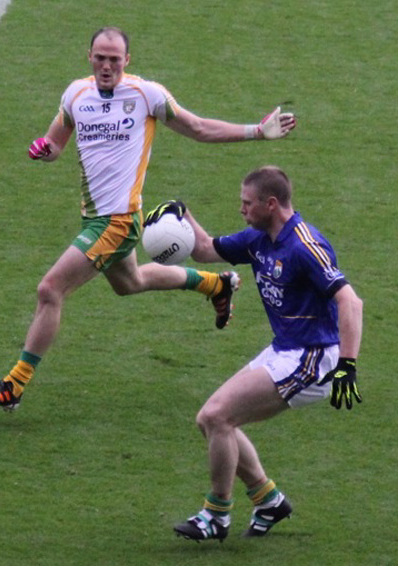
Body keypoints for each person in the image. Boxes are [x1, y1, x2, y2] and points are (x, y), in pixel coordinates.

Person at [0, 27, 296, 411]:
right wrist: (46, 149)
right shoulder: (76, 94)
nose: (107, 65)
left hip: (118, 221)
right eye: (100, 57)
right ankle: (215, 285)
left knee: (50, 290)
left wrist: (256, 132)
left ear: (128, 60)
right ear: (88, 56)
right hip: (93, 217)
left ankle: (14, 385)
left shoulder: (147, 95)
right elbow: (55, 141)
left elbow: (198, 128)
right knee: (131, 282)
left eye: (114, 59)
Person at [173, 166, 363, 542]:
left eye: (247, 203)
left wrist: (347, 366)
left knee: (217, 416)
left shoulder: (305, 245)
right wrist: (181, 216)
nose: (241, 210)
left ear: (270, 204)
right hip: (285, 350)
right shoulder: (259, 238)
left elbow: (350, 301)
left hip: (312, 356)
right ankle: (268, 499)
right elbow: (207, 249)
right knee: (210, 421)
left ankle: (216, 516)